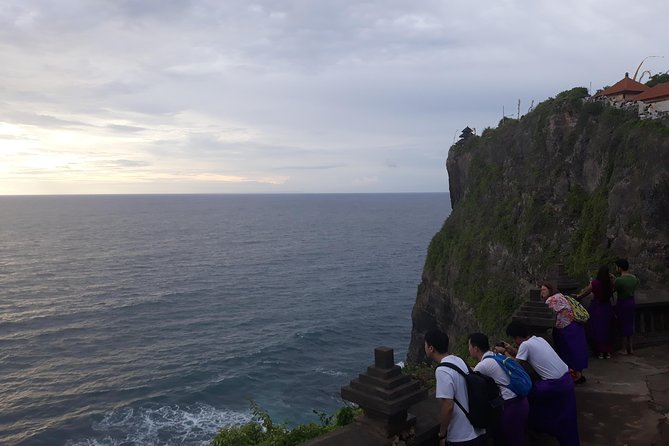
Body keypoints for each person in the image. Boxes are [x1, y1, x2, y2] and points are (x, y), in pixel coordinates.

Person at [497, 321, 580, 446]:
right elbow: (522, 355)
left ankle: (536, 427)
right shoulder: (538, 339)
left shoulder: (525, 345)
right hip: (567, 379)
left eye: (513, 339)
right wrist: (510, 349)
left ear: (516, 337)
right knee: (566, 418)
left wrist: (504, 353)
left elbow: (515, 366)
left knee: (527, 395)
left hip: (554, 385)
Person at [424, 329, 486, 446]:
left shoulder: (442, 370)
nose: (425, 348)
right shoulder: (458, 360)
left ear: (431, 348)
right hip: (477, 429)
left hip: (461, 436)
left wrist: (442, 434)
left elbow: (448, 406)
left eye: (426, 345)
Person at [468, 333, 529, 446]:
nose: (469, 349)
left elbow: (473, 379)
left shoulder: (482, 366)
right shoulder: (495, 356)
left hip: (511, 407)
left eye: (469, 346)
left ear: (475, 348)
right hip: (522, 402)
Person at [542, 282, 588, 383]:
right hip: (575, 326)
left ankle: (575, 376)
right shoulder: (561, 296)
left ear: (550, 290)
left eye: (544, 289)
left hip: (566, 329)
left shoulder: (551, 300)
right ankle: (578, 374)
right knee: (576, 351)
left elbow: (546, 314)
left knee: (568, 352)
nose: (542, 292)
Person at [576, 265, 615, 358]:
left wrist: (578, 296)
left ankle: (600, 352)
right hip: (607, 307)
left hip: (597, 307)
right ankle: (607, 351)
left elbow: (586, 292)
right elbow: (614, 286)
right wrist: (612, 277)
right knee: (607, 328)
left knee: (597, 329)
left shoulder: (595, 283)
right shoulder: (609, 283)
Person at [614, 258, 640, 355]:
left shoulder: (619, 280)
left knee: (623, 324)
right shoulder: (634, 278)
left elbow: (613, 290)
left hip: (622, 303)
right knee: (630, 323)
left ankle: (624, 348)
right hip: (631, 301)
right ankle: (631, 348)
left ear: (620, 268)